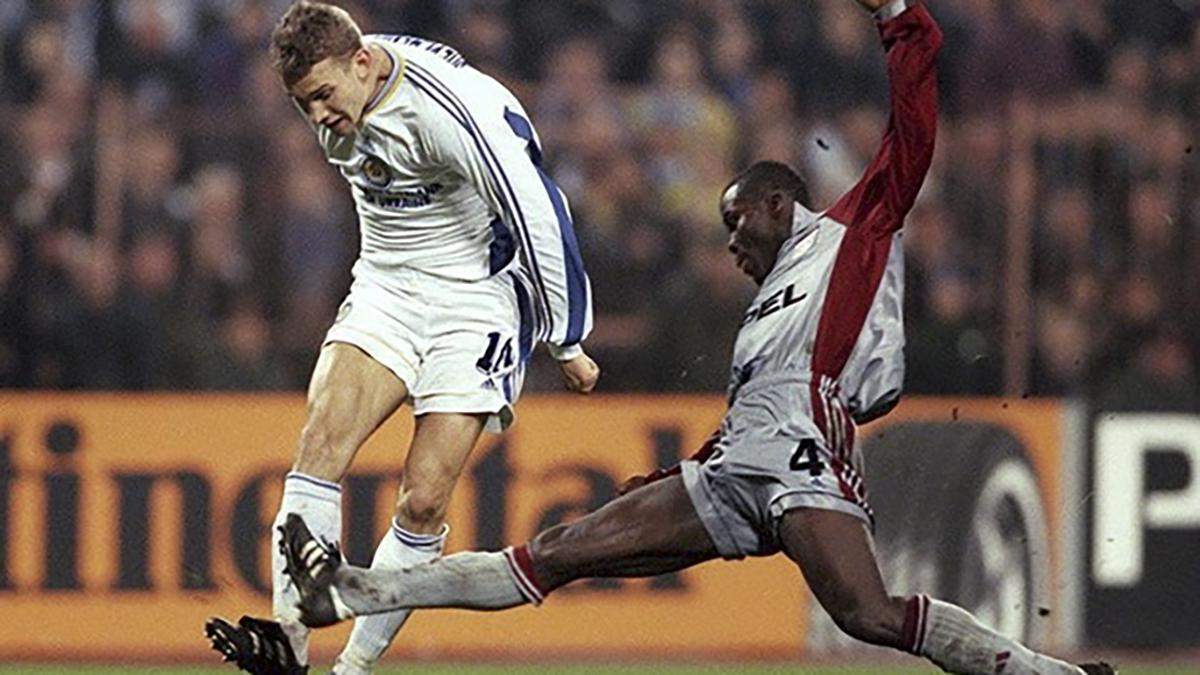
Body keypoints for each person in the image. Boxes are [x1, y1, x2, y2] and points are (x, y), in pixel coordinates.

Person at [277, 2, 1117, 674]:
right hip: (730, 467)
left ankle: (1041, 671)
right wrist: (672, 477)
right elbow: (751, 410)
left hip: (804, 458)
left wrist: (899, 18)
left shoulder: (847, 236)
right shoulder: (761, 315)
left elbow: (912, 138)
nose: (731, 241)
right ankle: (353, 588)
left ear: (781, 204)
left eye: (737, 219)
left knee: (866, 613)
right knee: (556, 553)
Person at [204, 1, 600, 673]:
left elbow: (539, 208)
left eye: (323, 95)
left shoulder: (450, 113)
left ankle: (352, 669)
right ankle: (288, 646)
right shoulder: (342, 82)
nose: (318, 114)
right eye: (304, 104)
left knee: (423, 500)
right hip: (387, 285)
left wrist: (567, 339)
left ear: (362, 64)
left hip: (474, 298)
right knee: (319, 444)